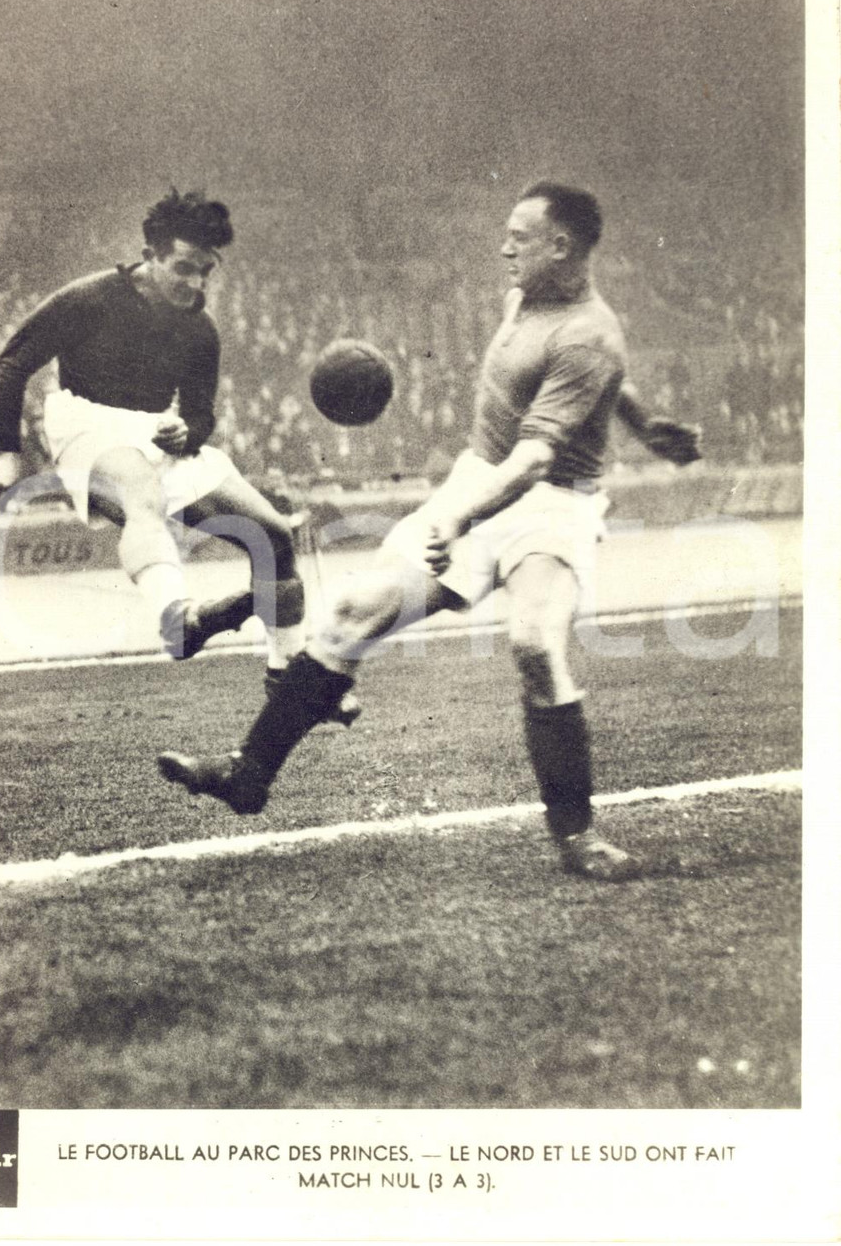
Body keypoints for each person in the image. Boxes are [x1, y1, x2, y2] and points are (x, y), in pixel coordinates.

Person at [158, 182, 701, 880]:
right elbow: (595, 379)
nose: (505, 246)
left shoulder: (591, 334)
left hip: (550, 506)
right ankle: (248, 772)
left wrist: (457, 516)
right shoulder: (526, 299)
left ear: (561, 246)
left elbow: (539, 455)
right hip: (480, 482)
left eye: (520, 236)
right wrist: (645, 422)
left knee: (536, 645)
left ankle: (578, 836)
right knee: (352, 615)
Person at [0, 187, 357, 714]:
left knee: (272, 534)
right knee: (143, 498)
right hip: (87, 423)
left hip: (154, 432)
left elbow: (201, 412)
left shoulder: (200, 329)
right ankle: (176, 619)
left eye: (205, 271)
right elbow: (11, 362)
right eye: (184, 268)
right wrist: (5, 449)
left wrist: (191, 433)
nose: (196, 283)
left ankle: (289, 681)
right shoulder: (90, 298)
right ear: (151, 255)